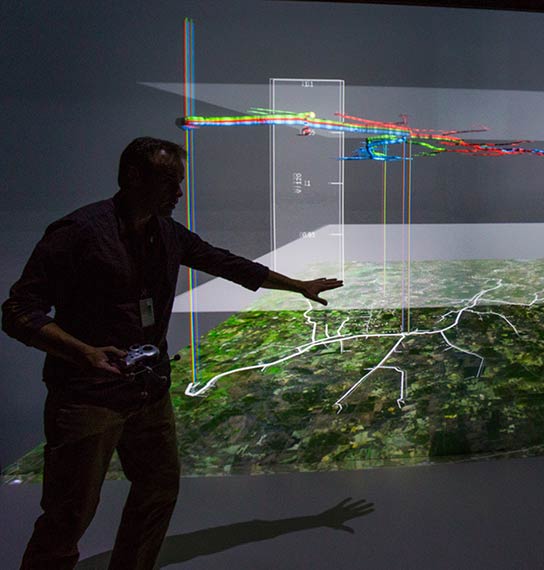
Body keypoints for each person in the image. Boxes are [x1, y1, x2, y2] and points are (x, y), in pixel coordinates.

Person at [2, 137, 343, 570]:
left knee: (159, 490)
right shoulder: (79, 233)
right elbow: (17, 312)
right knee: (69, 513)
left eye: (179, 183)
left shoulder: (165, 232)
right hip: (88, 396)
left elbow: (224, 262)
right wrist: (84, 353)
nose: (178, 194)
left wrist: (298, 285)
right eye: (168, 183)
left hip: (147, 391)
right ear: (132, 177)